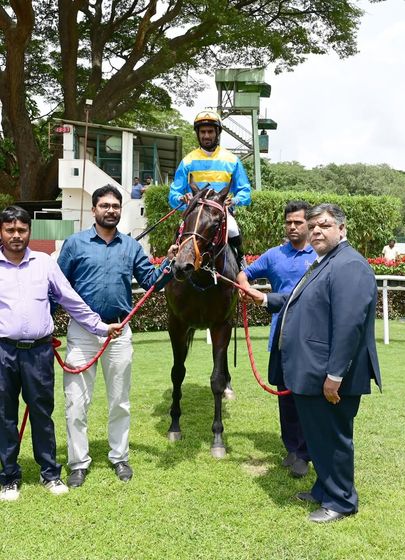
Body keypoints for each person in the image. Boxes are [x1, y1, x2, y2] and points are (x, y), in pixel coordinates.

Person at [245, 203, 381, 523]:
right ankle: (324, 490)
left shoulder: (348, 265)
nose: (317, 230)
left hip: (331, 377)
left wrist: (335, 374)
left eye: (325, 225)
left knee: (332, 439)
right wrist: (264, 298)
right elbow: (298, 299)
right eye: (314, 226)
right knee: (318, 438)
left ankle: (342, 501)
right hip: (312, 373)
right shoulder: (324, 262)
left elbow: (349, 326)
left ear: (342, 230)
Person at [57, 185, 177, 488]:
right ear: (94, 209)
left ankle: (119, 457)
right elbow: (59, 287)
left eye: (115, 206)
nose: (111, 210)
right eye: (105, 205)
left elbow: (152, 282)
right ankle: (78, 463)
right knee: (76, 403)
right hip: (83, 335)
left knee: (120, 402)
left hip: (119, 333)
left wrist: (169, 262)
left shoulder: (131, 247)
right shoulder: (74, 244)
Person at [0, 206, 122, 502]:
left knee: (42, 413)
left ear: (30, 231)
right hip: (3, 352)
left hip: (39, 352)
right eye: (10, 230)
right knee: (4, 416)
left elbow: (71, 299)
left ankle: (50, 474)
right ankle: (9, 478)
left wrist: (99, 326)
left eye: (22, 230)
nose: (16, 236)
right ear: (1, 232)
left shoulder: (44, 263)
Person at [236, 201, 316, 478]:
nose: (293, 227)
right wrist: (244, 287)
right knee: (286, 398)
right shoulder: (274, 255)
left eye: (298, 222)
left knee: (306, 397)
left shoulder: (319, 254)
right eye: (289, 223)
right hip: (280, 338)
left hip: (311, 342)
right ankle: (292, 449)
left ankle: (306, 453)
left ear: (309, 224)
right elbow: (243, 273)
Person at [168, 110, 251, 267]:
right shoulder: (187, 161)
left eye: (210, 131)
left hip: (219, 213)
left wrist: (234, 200)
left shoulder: (232, 160)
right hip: (194, 213)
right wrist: (180, 198)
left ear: (217, 132)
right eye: (203, 132)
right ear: (198, 134)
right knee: (179, 234)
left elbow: (245, 191)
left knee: (233, 229)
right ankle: (170, 269)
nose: (206, 136)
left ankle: (241, 263)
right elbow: (174, 193)